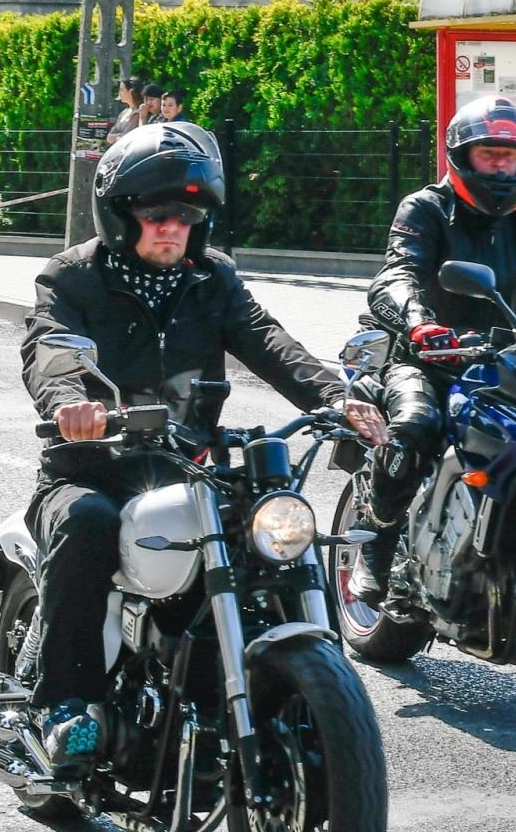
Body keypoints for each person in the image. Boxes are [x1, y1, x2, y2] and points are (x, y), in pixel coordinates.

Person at [20, 120, 387, 771]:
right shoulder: (73, 278)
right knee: (87, 523)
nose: (171, 227)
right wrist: (70, 404)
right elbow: (49, 347)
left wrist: (336, 398)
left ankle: (257, 689)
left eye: (185, 215)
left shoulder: (211, 278)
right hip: (90, 469)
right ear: (120, 213)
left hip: (187, 471)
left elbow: (268, 340)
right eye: (156, 213)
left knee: (264, 531)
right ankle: (65, 706)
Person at [347, 95, 516, 604]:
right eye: (489, 154)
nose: (499, 165)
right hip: (427, 357)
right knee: (414, 428)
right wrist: (421, 322)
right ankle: (375, 542)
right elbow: (396, 274)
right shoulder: (426, 208)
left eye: (508, 156)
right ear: (463, 156)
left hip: (511, 359)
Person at [104, 77, 145, 145]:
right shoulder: (124, 112)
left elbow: (126, 137)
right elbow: (109, 137)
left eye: (122, 90)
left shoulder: (138, 112)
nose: (119, 93)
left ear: (131, 91)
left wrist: (116, 137)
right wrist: (118, 136)